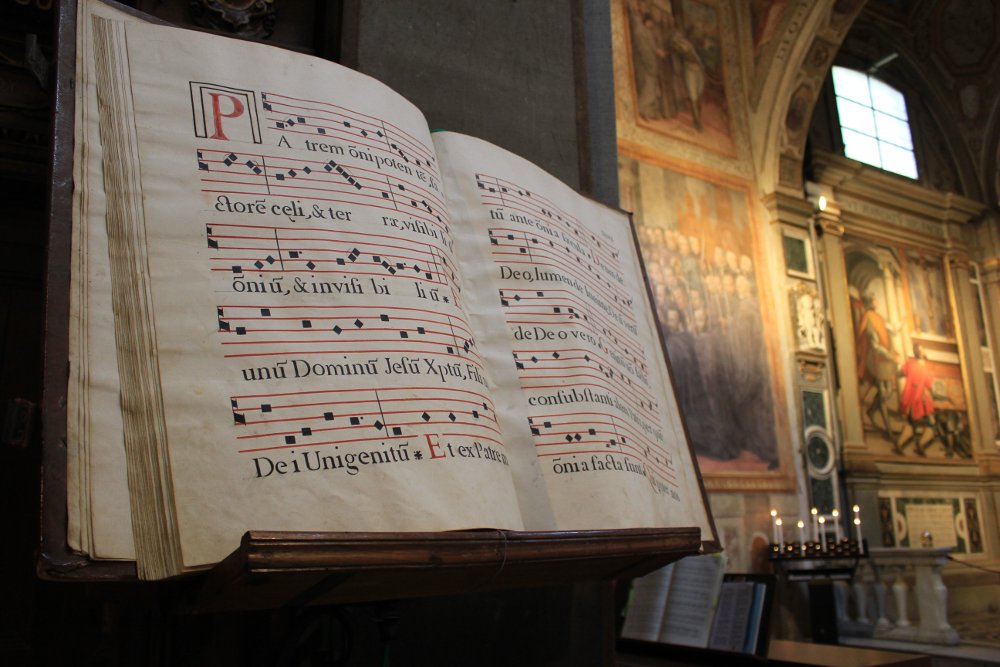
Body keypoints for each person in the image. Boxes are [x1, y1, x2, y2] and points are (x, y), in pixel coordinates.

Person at [855, 292, 897, 439]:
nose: (877, 302)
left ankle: (872, 411)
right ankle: (889, 430)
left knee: (888, 392)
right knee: (882, 390)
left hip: (885, 359)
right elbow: (874, 344)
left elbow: (892, 329)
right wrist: (889, 355)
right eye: (875, 300)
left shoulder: (878, 317)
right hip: (876, 359)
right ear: (870, 302)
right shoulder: (868, 317)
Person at [894, 343, 938, 456]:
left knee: (911, 424)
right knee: (931, 425)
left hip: (912, 399)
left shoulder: (911, 365)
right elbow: (932, 386)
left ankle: (900, 443)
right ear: (921, 353)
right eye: (921, 350)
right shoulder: (918, 367)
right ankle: (920, 444)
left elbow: (899, 373)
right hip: (919, 400)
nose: (922, 352)